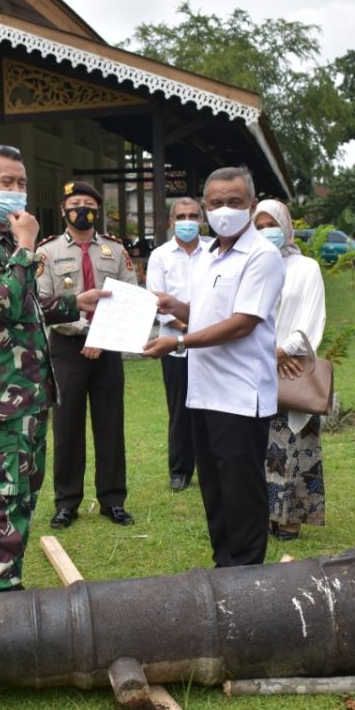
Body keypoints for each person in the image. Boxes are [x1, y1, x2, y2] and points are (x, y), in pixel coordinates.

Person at [0, 144, 107, 592]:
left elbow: (27, 306)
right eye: (7, 183)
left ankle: (7, 580)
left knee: (23, 495)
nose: (18, 192)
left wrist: (76, 302)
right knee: (2, 497)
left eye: (22, 183)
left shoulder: (2, 244)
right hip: (0, 398)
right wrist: (27, 245)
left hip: (29, 394)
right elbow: (7, 300)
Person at [143, 166, 285, 567]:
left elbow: (243, 323)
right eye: (217, 203)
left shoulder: (262, 255)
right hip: (203, 391)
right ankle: (225, 565)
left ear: (251, 205)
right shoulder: (208, 255)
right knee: (215, 488)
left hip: (240, 395)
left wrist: (180, 340)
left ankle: (247, 573)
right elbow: (208, 315)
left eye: (235, 202)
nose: (226, 209)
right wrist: (178, 308)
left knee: (241, 490)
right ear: (206, 209)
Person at [36, 180, 139, 528]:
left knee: (110, 425)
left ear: (98, 210)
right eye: (75, 202)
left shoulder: (114, 249)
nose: (82, 208)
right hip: (67, 348)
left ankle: (113, 500)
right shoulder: (47, 253)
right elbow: (44, 302)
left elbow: (130, 295)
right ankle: (67, 502)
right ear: (64, 210)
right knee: (67, 427)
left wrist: (102, 335)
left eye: (89, 203)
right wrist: (85, 330)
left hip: (106, 348)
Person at [253, 199, 326, 541]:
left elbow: (313, 316)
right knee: (262, 446)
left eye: (272, 224)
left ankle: (292, 518)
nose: (266, 231)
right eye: (259, 225)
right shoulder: (251, 265)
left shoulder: (306, 267)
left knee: (294, 445)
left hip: (292, 368)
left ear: (287, 227)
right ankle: (265, 513)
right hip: (253, 367)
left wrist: (285, 350)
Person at [145, 197, 211, 491]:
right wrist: (188, 323)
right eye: (181, 216)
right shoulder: (160, 256)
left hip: (212, 342)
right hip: (173, 343)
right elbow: (156, 300)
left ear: (201, 219)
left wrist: (201, 324)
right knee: (180, 407)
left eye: (193, 215)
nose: (187, 221)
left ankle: (211, 466)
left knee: (212, 406)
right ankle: (180, 470)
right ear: (171, 223)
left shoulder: (215, 251)